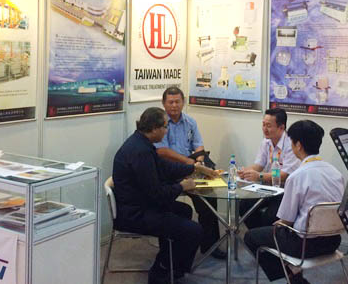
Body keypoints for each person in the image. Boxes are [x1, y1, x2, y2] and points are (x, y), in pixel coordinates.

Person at [112, 107, 219, 284]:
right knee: (194, 231)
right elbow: (157, 194)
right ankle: (160, 271)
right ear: (154, 128)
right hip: (135, 213)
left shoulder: (141, 143)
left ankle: (174, 267)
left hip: (139, 204)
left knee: (184, 211)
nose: (166, 130)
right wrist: (181, 186)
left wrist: (194, 168)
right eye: (164, 126)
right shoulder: (140, 152)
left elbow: (164, 167)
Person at [244, 120, 345, 284]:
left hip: (304, 245)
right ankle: (292, 273)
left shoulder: (297, 176)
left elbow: (286, 220)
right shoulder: (335, 172)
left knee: (251, 237)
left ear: (298, 145)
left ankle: (292, 276)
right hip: (333, 241)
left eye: (291, 142)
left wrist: (278, 224)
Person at [155, 86, 226, 259]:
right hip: (169, 170)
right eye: (170, 102)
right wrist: (189, 163)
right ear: (163, 104)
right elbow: (162, 151)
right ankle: (172, 247)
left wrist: (199, 161)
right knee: (167, 203)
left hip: (192, 166)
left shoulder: (190, 121)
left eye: (177, 102)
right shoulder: (159, 123)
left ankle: (210, 246)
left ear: (183, 102)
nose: (174, 105)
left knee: (208, 198)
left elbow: (198, 145)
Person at [238, 108, 300, 228]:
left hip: (285, 191)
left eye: (269, 126)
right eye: (263, 124)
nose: (264, 129)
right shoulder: (266, 142)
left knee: (269, 217)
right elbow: (259, 165)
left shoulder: (291, 144)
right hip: (268, 187)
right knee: (244, 206)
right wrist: (245, 171)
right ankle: (256, 235)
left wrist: (259, 176)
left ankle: (263, 236)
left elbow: (285, 175)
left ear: (281, 127)